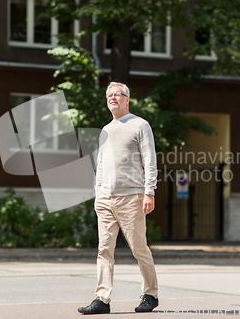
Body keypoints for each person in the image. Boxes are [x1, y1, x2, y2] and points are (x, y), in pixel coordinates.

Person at [78, 82, 159, 315]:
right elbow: (101, 165)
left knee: (138, 248)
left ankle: (151, 294)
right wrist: (98, 193)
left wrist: (149, 192)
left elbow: (150, 161)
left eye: (117, 95)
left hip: (131, 197)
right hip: (106, 199)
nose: (112, 98)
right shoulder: (105, 130)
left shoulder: (140, 125)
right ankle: (102, 299)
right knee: (104, 249)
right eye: (109, 95)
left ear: (127, 100)